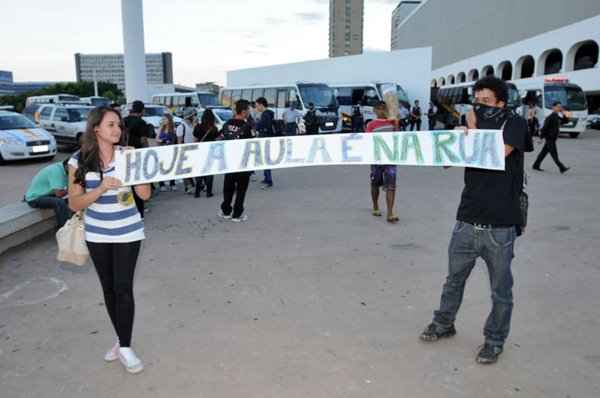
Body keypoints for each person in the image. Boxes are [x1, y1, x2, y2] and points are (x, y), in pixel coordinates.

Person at [420, 76, 529, 365]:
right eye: (476, 101)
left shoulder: (514, 124)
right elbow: (445, 160)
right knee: (453, 281)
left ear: (502, 103)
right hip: (467, 221)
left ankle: (494, 340)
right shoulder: (470, 129)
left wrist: (472, 127)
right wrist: (456, 137)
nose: (479, 106)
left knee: (500, 291)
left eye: (487, 102)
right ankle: (444, 323)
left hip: (501, 226)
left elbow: (498, 152)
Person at [67, 106, 151, 374]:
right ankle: (120, 338)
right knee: (110, 289)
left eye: (119, 125)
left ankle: (125, 347)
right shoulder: (78, 161)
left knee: (123, 287)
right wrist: (101, 187)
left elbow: (145, 195)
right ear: (96, 129)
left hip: (128, 231)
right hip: (97, 234)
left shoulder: (129, 155)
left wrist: (138, 172)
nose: (117, 130)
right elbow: (74, 203)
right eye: (111, 125)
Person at [219, 100, 254, 222]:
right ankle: (237, 214)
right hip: (243, 163)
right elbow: (252, 145)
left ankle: (226, 211)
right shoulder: (248, 127)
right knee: (241, 189)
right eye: (249, 110)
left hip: (229, 162)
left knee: (228, 187)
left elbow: (220, 140)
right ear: (244, 112)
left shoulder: (226, 124)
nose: (250, 112)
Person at [365, 101, 399, 223]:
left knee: (391, 186)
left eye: (383, 108)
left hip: (390, 159)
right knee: (375, 183)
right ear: (375, 110)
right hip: (376, 159)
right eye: (379, 109)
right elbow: (367, 141)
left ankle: (390, 213)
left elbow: (398, 138)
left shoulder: (392, 123)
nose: (381, 111)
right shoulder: (371, 125)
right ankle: (375, 206)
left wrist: (396, 125)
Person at [123, 100, 151, 217]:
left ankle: (126, 208)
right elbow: (143, 140)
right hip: (137, 155)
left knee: (125, 183)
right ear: (142, 110)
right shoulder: (141, 123)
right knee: (138, 183)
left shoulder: (124, 120)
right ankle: (139, 212)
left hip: (123, 154)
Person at [25, 159, 71, 228]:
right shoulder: (57, 171)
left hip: (48, 194)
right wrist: (71, 189)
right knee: (59, 202)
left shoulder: (66, 168)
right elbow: (59, 194)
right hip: (35, 198)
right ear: (68, 166)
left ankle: (73, 223)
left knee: (71, 199)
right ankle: (65, 229)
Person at [532, 101, 570, 174]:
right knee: (554, 154)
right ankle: (562, 168)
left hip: (553, 138)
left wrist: (564, 113)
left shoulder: (557, 116)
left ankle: (535, 165)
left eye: (560, 107)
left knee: (543, 153)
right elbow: (544, 128)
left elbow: (566, 121)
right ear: (553, 107)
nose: (559, 108)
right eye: (558, 107)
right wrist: (541, 138)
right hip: (550, 138)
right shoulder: (550, 117)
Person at [192, 109, 220, 197]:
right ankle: (208, 192)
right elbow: (216, 139)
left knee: (199, 171)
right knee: (209, 171)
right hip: (210, 151)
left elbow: (195, 140)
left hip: (200, 151)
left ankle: (197, 192)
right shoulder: (214, 128)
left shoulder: (198, 127)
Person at [255, 97, 275, 188]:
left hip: (265, 138)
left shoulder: (265, 114)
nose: (256, 108)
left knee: (266, 160)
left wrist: (257, 125)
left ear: (261, 105)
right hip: (268, 138)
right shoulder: (269, 113)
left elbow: (263, 125)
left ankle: (269, 180)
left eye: (257, 106)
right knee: (266, 159)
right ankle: (266, 178)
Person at [176, 108, 198, 194]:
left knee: (193, 169)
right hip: (185, 151)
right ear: (190, 116)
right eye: (194, 115)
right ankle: (188, 186)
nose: (195, 116)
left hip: (193, 150)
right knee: (185, 170)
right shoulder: (181, 127)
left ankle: (195, 184)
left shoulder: (193, 125)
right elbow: (179, 141)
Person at [156, 113, 178, 192]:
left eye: (165, 119)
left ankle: (172, 183)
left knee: (171, 166)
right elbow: (157, 139)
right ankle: (162, 184)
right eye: (163, 119)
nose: (163, 120)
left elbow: (174, 140)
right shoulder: (161, 128)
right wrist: (162, 140)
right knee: (161, 167)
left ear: (169, 120)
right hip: (162, 150)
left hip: (170, 150)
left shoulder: (173, 129)